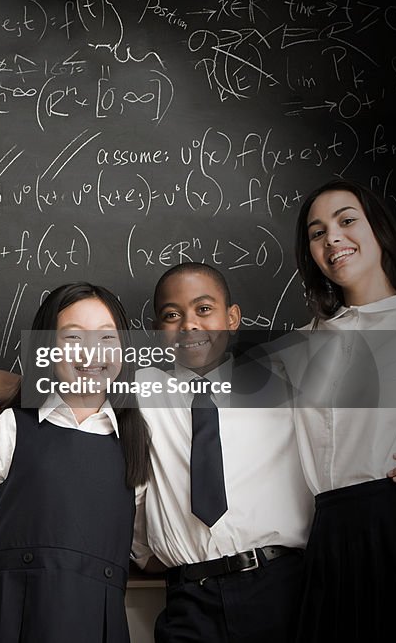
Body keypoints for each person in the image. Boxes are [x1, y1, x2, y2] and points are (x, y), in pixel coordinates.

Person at [135, 263, 313, 643]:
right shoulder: (142, 391)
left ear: (232, 318)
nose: (189, 325)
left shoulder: (284, 378)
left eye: (203, 309)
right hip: (188, 599)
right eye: (171, 315)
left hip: (280, 588)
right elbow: (56, 385)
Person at [290, 179, 396, 642]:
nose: (332, 238)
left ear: (379, 231)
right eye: (317, 232)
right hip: (329, 534)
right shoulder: (308, 341)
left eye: (347, 221)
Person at [0, 282, 151, 643]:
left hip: (96, 623)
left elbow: (145, 550)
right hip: (10, 618)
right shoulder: (13, 426)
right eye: (72, 338)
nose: (90, 353)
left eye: (106, 338)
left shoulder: (137, 440)